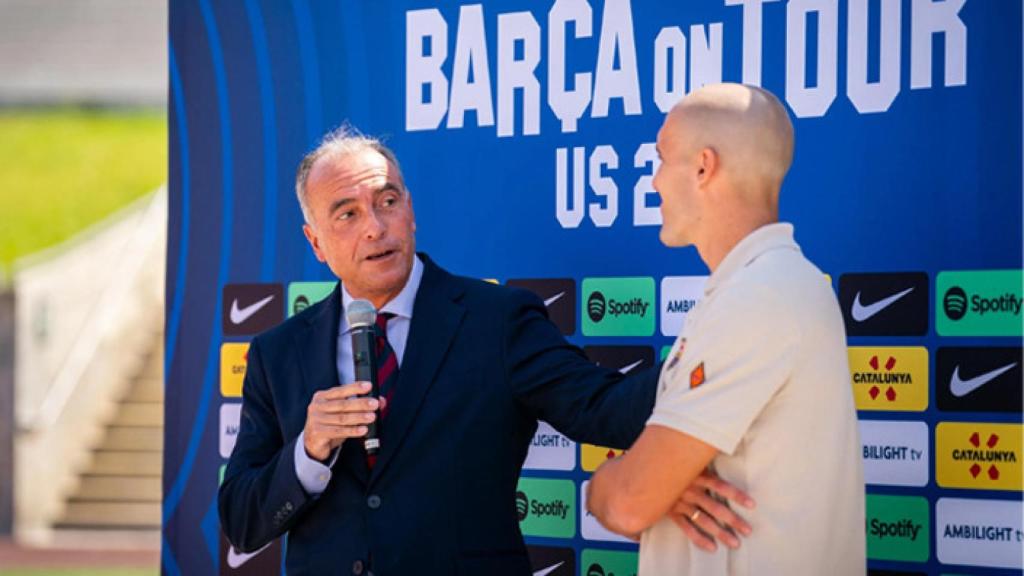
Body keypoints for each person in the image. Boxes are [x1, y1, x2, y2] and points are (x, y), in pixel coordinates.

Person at [217, 127, 751, 575]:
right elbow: (242, 520)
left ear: (411, 210)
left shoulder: (496, 320)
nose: (376, 227)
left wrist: (709, 346)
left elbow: (605, 411)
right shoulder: (277, 353)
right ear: (316, 243)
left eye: (387, 201)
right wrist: (308, 450)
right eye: (348, 214)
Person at [586, 83, 865, 575]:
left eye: (661, 158)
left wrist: (604, 484)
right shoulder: (768, 284)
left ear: (702, 166)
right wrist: (655, 486)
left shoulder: (761, 294)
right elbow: (646, 496)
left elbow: (629, 502)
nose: (652, 182)